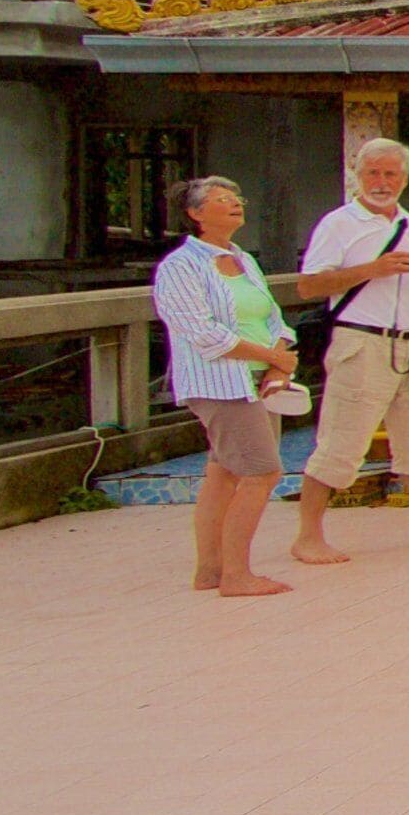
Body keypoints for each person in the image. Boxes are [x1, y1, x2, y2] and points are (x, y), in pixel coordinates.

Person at [289, 137, 409, 562]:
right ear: (358, 175)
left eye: (390, 173)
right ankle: (308, 536)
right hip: (362, 343)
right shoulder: (338, 224)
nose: (381, 181)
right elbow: (308, 284)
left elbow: (408, 281)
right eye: (373, 172)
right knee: (342, 441)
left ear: (404, 177)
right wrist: (371, 270)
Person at [151, 177, 301, 599]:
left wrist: (277, 357)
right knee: (262, 471)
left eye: (238, 199)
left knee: (224, 474)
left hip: (258, 379)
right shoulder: (180, 267)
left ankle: (212, 571)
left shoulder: (243, 260)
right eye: (223, 201)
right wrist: (269, 356)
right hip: (220, 383)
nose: (235, 205)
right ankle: (237, 574)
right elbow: (203, 333)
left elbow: (274, 318)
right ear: (196, 214)